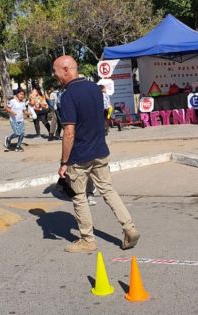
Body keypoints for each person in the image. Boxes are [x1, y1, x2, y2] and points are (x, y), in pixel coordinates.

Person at [53, 55, 140, 253]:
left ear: (66, 70)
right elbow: (101, 119)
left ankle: (87, 240)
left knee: (79, 196)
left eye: (56, 71)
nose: (55, 75)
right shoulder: (94, 88)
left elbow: (68, 132)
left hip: (80, 155)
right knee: (108, 190)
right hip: (100, 150)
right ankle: (129, 228)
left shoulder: (68, 95)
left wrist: (64, 162)